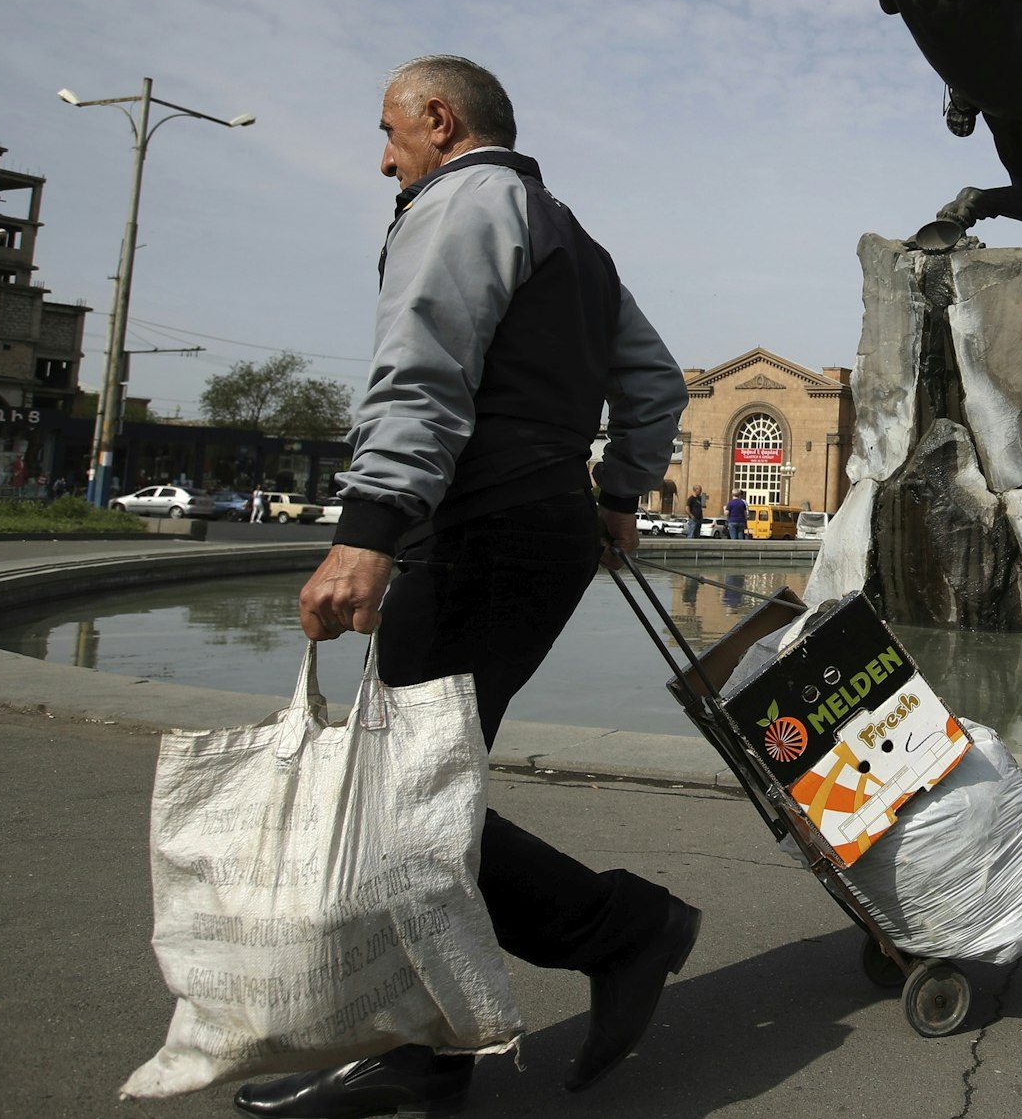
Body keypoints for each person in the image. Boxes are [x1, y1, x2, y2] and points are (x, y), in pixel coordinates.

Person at [237, 56, 698, 1118]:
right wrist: (618, 491)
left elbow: (422, 369)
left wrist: (367, 532)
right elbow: (655, 381)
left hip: (478, 526)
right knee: (410, 796)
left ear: (439, 120)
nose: (382, 154)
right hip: (541, 530)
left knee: (393, 795)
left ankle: (618, 931)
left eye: (391, 131)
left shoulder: (461, 202)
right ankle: (429, 1048)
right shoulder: (565, 231)